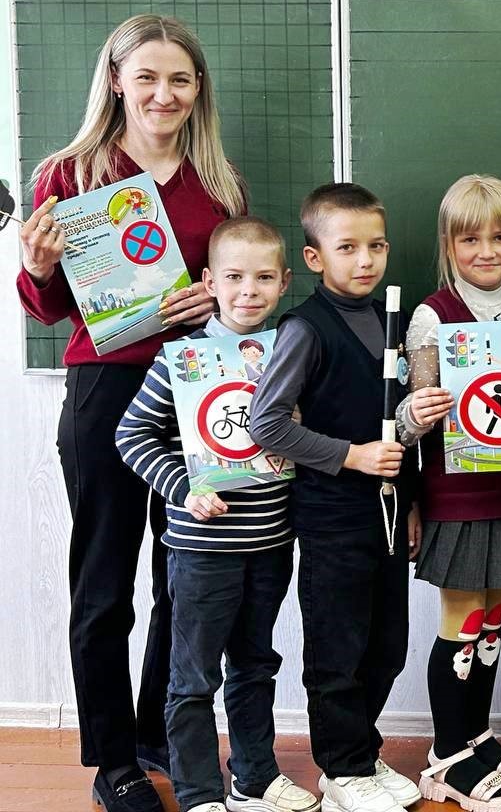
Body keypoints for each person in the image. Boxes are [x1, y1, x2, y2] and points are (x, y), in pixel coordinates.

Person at [16, 14, 245, 812]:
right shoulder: (69, 174)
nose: (163, 94)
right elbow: (49, 310)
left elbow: (240, 297)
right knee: (104, 581)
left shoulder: (219, 183)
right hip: (107, 390)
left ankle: (159, 733)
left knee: (186, 577)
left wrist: (217, 301)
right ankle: (112, 759)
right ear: (116, 81)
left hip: (196, 387)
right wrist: (38, 266)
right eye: (146, 77)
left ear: (198, 87)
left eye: (179, 79)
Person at [115, 217, 318, 812]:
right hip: (203, 546)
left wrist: (302, 426)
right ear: (209, 282)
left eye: (263, 278)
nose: (248, 291)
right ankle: (199, 792)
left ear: (285, 282)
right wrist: (183, 489)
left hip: (272, 542)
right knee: (194, 675)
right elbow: (131, 434)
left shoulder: (291, 353)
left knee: (256, 664)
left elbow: (308, 436)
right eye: (233, 278)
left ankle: (254, 778)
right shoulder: (182, 358)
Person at [247, 184, 420, 812]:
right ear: (315, 258)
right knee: (338, 649)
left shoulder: (393, 319)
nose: (365, 259)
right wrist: (352, 456)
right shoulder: (305, 327)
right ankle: (341, 768)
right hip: (331, 516)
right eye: (347, 247)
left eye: (377, 246)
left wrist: (412, 502)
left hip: (389, 513)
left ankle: (361, 752)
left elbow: (398, 427)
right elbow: (267, 424)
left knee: (387, 644)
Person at [396, 175, 501, 812]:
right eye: (469, 239)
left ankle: (475, 735)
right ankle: (447, 755)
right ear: (448, 244)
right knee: (461, 624)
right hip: (457, 497)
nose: (486, 251)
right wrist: (417, 413)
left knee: (491, 624)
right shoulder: (434, 315)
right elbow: (407, 418)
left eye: (500, 237)